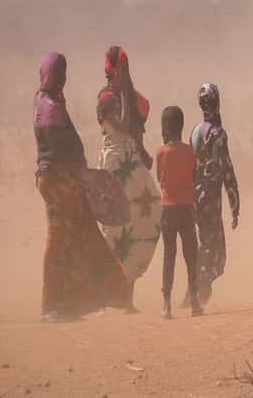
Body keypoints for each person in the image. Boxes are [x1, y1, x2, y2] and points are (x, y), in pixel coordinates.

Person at [33, 51, 129, 322]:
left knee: (77, 236)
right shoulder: (50, 107)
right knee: (60, 239)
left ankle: (72, 302)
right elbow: (57, 148)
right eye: (60, 74)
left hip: (61, 181)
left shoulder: (44, 101)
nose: (63, 78)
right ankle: (51, 305)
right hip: (58, 182)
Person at [96, 45, 161, 313]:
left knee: (143, 222)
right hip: (114, 165)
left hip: (132, 164)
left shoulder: (130, 98)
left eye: (126, 67)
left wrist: (143, 152)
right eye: (121, 68)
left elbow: (136, 131)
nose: (124, 72)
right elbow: (122, 125)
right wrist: (124, 90)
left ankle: (126, 296)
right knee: (115, 229)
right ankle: (103, 295)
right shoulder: (106, 98)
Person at [183, 83, 240, 307]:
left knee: (204, 240)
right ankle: (198, 291)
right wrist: (235, 206)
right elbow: (226, 170)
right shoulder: (218, 134)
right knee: (210, 242)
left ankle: (195, 289)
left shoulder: (195, 131)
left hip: (194, 195)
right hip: (210, 198)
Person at [155, 106, 203, 319]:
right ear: (181, 127)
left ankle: (166, 304)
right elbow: (193, 176)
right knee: (191, 257)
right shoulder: (190, 152)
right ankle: (194, 302)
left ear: (165, 128)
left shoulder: (161, 152)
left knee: (169, 256)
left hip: (167, 210)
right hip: (186, 209)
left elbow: (160, 177)